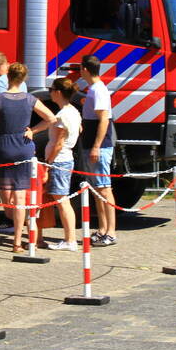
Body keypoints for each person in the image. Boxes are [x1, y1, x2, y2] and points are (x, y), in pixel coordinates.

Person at [0, 62, 56, 253]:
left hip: (2, 146)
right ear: (24, 78)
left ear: (7, 77)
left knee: (5, 197)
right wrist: (33, 130)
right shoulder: (30, 99)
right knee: (20, 197)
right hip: (23, 147)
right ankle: (17, 241)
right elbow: (51, 118)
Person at [79, 54, 117, 247]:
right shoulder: (93, 90)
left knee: (104, 187)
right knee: (97, 189)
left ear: (85, 69)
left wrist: (96, 146)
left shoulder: (99, 90)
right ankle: (102, 229)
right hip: (91, 144)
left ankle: (111, 231)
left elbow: (104, 119)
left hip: (99, 147)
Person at [44, 77, 80, 251]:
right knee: (63, 198)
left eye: (51, 89)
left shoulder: (62, 115)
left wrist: (48, 163)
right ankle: (70, 238)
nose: (50, 92)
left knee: (62, 199)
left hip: (59, 160)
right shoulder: (73, 111)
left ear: (58, 92)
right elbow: (79, 130)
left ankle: (70, 239)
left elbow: (58, 143)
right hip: (67, 157)